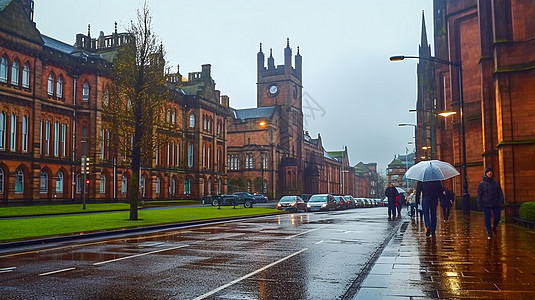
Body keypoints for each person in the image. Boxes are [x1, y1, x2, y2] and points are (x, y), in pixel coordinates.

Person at [477, 167, 504, 239]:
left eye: (491, 172)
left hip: (495, 203)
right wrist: (479, 205)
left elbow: (500, 193)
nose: (489, 173)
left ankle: (494, 227)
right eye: (488, 172)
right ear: (486, 174)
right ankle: (489, 232)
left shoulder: (496, 183)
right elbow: (479, 195)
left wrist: (501, 201)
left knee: (497, 217)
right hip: (486, 203)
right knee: (487, 218)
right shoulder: (482, 184)